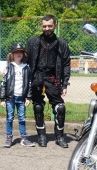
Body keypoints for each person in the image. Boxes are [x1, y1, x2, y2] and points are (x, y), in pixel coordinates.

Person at [25, 14, 71, 148]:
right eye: (44, 26)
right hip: (37, 77)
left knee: (60, 107)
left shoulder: (62, 44)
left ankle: (60, 136)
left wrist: (64, 83)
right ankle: (41, 136)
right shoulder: (33, 42)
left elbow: (67, 64)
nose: (47, 28)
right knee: (38, 106)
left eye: (50, 26)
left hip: (53, 77)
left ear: (55, 26)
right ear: (41, 26)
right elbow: (24, 60)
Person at [0, 43, 35, 148]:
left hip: (22, 98)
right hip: (10, 98)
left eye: (20, 52)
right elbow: (3, 84)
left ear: (23, 54)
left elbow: (29, 84)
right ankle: (9, 137)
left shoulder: (26, 68)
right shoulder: (8, 68)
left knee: (22, 118)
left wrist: (28, 97)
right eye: (16, 52)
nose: (18, 54)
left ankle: (23, 138)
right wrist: (2, 98)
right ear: (12, 54)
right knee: (9, 117)